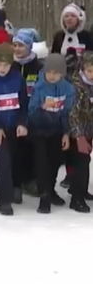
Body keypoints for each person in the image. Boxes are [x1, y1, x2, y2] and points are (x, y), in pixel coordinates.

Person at [0, 42, 28, 215]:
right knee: (4, 158)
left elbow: (24, 104)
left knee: (14, 157)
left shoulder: (18, 78)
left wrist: (22, 123)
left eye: (6, 65)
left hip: (14, 126)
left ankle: (12, 187)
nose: (2, 68)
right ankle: (5, 200)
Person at [27, 53, 74, 213]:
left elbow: (68, 112)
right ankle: (44, 195)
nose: (52, 76)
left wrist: (66, 133)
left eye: (56, 73)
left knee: (55, 162)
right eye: (49, 72)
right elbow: (31, 113)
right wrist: (42, 107)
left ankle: (51, 189)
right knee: (42, 163)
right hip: (39, 130)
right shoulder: (39, 87)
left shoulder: (68, 88)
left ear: (62, 73)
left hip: (57, 131)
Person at [12, 29, 44, 197]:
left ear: (29, 46)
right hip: (14, 112)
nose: (17, 49)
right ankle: (14, 181)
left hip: (34, 114)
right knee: (16, 149)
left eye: (21, 45)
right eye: (15, 45)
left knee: (32, 149)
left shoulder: (38, 66)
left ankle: (30, 180)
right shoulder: (11, 65)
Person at [69, 52, 93, 212]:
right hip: (77, 132)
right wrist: (79, 137)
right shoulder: (76, 86)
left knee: (86, 161)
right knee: (80, 162)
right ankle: (76, 197)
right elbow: (73, 113)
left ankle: (82, 190)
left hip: (89, 129)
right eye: (90, 70)